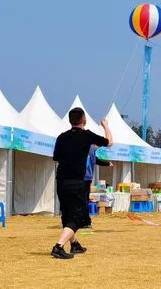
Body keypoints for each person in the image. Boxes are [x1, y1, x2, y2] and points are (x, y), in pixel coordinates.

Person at [51, 107, 112, 259]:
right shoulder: (87, 135)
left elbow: (56, 158)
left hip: (61, 180)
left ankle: (74, 244)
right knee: (77, 217)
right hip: (76, 181)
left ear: (70, 121)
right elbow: (109, 142)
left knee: (67, 214)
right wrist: (105, 126)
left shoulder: (61, 137)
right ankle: (58, 247)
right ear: (84, 120)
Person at [80, 144, 112, 229]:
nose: (99, 147)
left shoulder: (90, 149)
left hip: (84, 178)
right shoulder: (89, 148)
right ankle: (85, 222)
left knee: (82, 200)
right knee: (83, 200)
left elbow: (94, 160)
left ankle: (82, 221)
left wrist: (107, 163)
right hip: (83, 178)